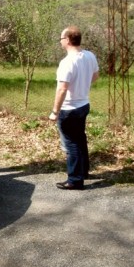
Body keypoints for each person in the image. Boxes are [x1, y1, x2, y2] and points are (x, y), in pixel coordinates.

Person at [49, 26, 99, 190]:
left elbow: (62, 89)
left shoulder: (67, 62)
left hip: (69, 109)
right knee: (80, 139)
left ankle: (75, 180)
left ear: (68, 40)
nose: (60, 41)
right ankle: (83, 171)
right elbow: (95, 76)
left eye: (61, 38)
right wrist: (82, 85)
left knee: (71, 144)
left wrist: (55, 112)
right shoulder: (90, 56)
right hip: (83, 105)